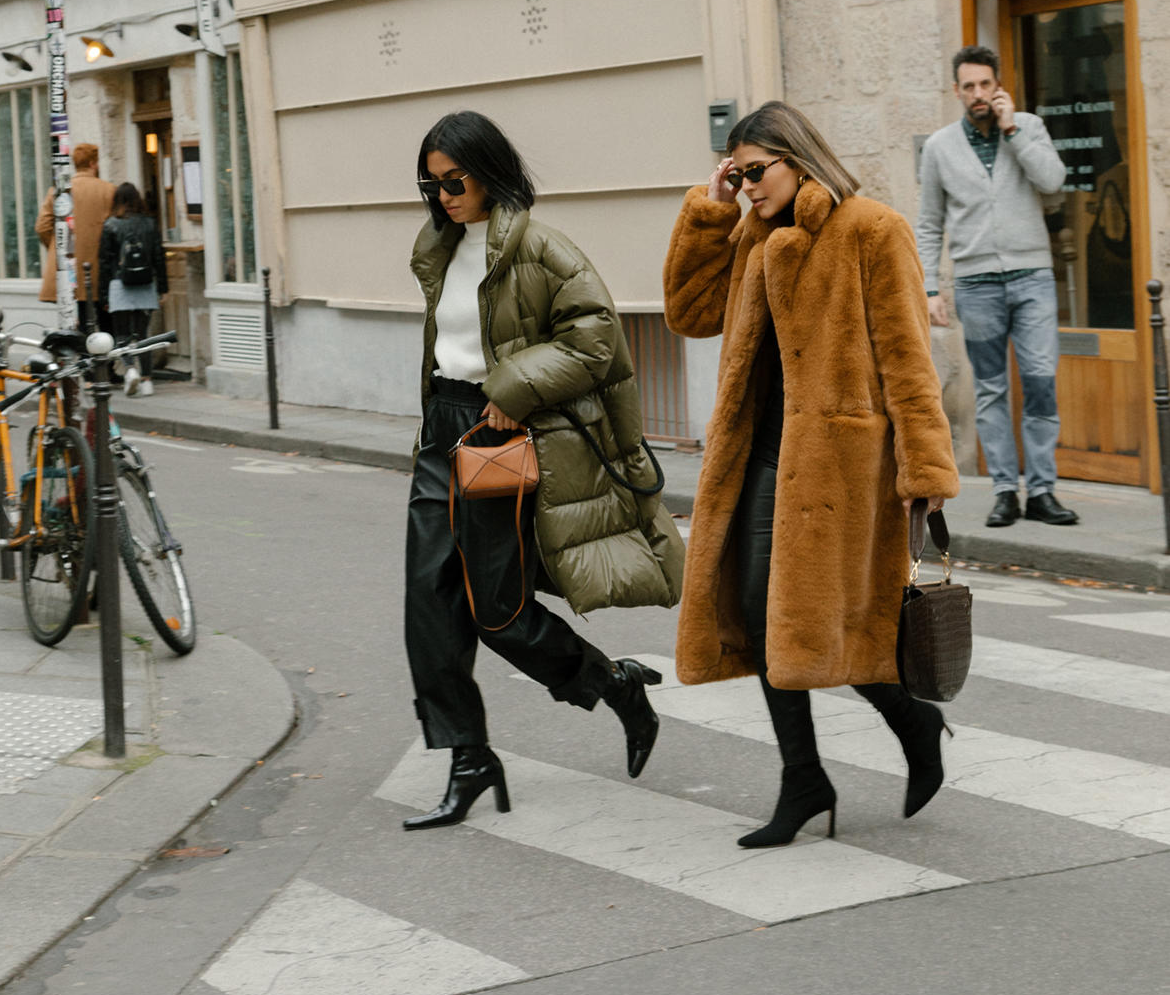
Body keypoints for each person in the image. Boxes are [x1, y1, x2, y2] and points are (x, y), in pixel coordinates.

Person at [664, 101, 959, 847]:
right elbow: (688, 312)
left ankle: (911, 723)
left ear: (798, 158)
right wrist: (710, 211)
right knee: (773, 620)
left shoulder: (871, 229)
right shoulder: (751, 236)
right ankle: (807, 778)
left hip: (839, 466)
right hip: (760, 457)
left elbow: (906, 360)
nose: (747, 185)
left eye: (755, 170)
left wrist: (922, 466)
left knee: (829, 621)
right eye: (736, 172)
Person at [402, 110, 684, 830]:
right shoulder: (437, 248)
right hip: (443, 431)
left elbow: (595, 340)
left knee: (495, 612)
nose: (442, 196)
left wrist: (512, 390)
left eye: (453, 180)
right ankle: (468, 757)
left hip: (500, 435)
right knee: (430, 606)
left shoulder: (538, 246)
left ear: (488, 171)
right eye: (430, 185)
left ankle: (614, 685)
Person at [917, 45, 1075, 529]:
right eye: (969, 87)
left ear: (998, 85)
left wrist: (1012, 131)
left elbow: (1054, 182)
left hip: (1032, 278)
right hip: (976, 282)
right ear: (957, 91)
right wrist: (928, 288)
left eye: (986, 84)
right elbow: (928, 223)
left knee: (1041, 380)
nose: (978, 94)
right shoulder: (940, 147)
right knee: (989, 389)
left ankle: (1043, 490)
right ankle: (1007, 489)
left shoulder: (1027, 127)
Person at [35, 143, 116, 332]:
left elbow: (42, 227)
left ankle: (82, 359)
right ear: (93, 163)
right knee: (105, 322)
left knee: (74, 324)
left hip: (67, 268)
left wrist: (58, 248)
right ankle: (104, 360)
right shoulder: (109, 190)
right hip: (98, 267)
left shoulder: (59, 190)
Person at [98, 182, 167, 396]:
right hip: (145, 284)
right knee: (143, 335)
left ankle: (129, 370)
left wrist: (103, 294)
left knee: (122, 334)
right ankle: (147, 380)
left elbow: (104, 262)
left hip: (119, 284)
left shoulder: (110, 224)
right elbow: (159, 256)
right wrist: (163, 287)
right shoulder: (150, 223)